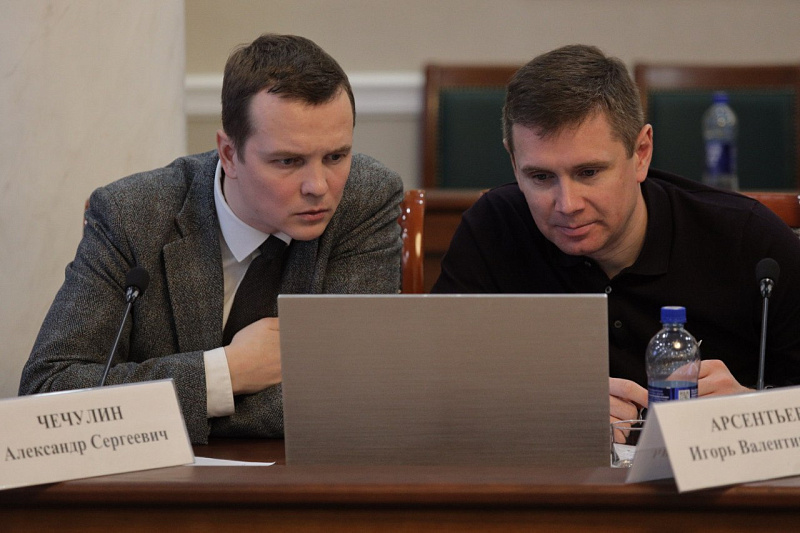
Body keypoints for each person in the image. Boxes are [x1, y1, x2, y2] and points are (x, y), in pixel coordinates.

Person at [19, 34, 403, 444]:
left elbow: (349, 394)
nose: (319, 186)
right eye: (288, 161)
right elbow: (48, 393)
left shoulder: (364, 199)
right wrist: (226, 372)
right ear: (229, 154)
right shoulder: (133, 215)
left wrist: (158, 412)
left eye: (336, 157)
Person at [432, 44, 800, 424]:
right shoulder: (493, 229)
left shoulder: (749, 241)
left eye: (589, 173)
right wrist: (544, 408)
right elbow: (434, 389)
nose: (567, 204)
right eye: (540, 177)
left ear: (641, 153)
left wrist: (754, 407)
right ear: (513, 161)